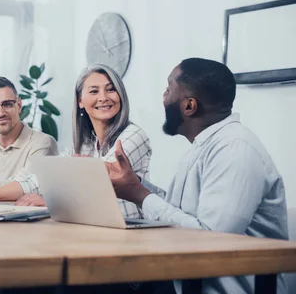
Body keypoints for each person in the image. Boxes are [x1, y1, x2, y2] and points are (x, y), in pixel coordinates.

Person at [107, 58, 288, 294]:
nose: (163, 97)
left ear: (189, 106)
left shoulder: (235, 149)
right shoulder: (207, 145)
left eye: (169, 89)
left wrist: (140, 195)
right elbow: (182, 212)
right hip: (186, 282)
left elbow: (212, 240)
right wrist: (134, 185)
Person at [16, 65, 152, 220]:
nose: (103, 97)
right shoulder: (85, 144)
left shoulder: (134, 135)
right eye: (94, 91)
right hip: (93, 229)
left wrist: (48, 201)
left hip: (131, 233)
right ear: (80, 100)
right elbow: (40, 179)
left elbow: (96, 182)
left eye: (111, 89)